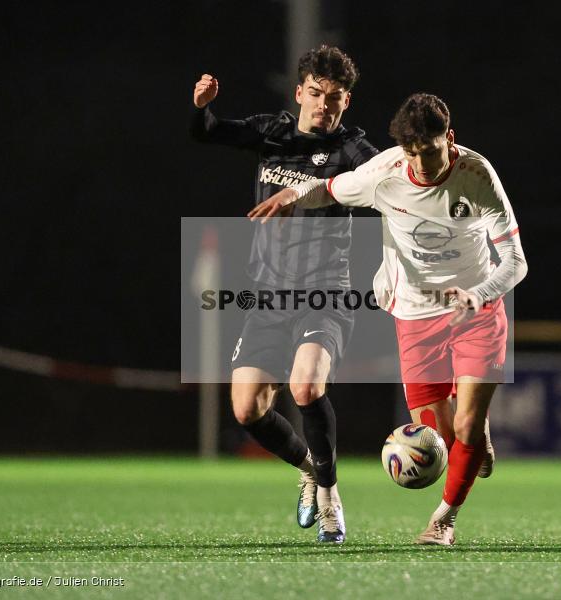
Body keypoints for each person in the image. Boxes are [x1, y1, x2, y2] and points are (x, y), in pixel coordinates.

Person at [249, 93, 527, 545]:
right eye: (412, 153)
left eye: (430, 152)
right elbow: (330, 188)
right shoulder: (386, 172)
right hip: (415, 315)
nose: (421, 165)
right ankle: (473, 437)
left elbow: (515, 261)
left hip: (475, 312)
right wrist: (293, 193)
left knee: (465, 427)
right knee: (438, 440)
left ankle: (444, 521)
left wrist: (477, 296)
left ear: (449, 138)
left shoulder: (477, 175)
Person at [190, 45, 378, 543]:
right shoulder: (273, 133)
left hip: (325, 294)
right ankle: (310, 469)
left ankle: (330, 498)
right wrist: (201, 108)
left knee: (306, 387)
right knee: (247, 409)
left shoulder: (351, 149)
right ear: (299, 93)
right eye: (315, 93)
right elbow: (209, 132)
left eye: (334, 97)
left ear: (346, 102)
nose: (323, 104)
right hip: (270, 297)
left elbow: (386, 177)